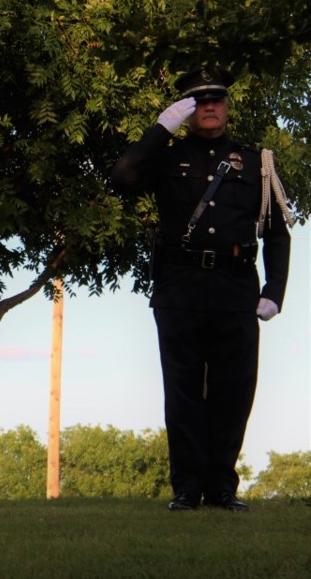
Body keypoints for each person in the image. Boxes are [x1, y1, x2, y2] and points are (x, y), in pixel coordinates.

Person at [111, 64, 292, 511]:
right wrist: (159, 130)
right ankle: (188, 487)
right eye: (199, 101)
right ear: (188, 111)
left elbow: (275, 232)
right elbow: (121, 179)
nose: (209, 106)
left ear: (227, 106)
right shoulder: (166, 157)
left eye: (216, 99)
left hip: (235, 288)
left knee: (234, 389)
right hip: (180, 288)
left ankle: (222, 488)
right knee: (184, 388)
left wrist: (274, 289)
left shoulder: (255, 163)